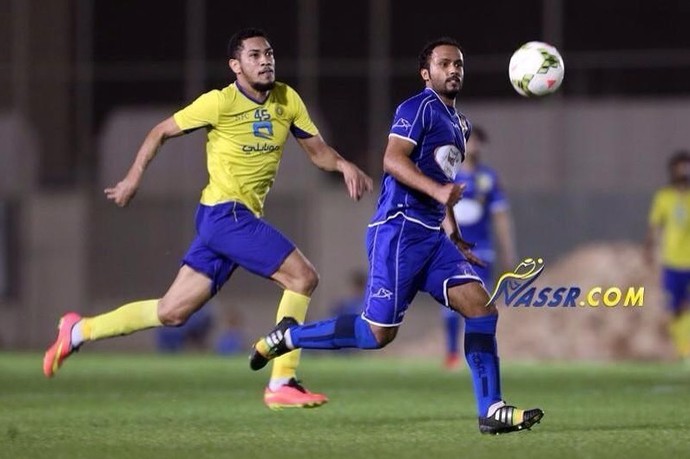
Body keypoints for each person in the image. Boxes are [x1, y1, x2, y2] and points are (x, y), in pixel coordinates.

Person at [43, 28, 373, 410]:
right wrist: (133, 178)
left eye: (269, 53)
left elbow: (317, 152)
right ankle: (282, 381)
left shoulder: (287, 98)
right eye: (254, 55)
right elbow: (160, 131)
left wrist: (344, 164)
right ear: (235, 66)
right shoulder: (219, 103)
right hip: (225, 214)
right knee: (303, 277)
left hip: (230, 221)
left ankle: (79, 330)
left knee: (172, 311)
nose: (265, 60)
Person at [249, 37, 543, 434]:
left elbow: (444, 181)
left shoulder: (460, 124)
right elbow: (392, 159)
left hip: (434, 239)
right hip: (399, 230)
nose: (453, 69)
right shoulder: (417, 107)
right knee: (376, 335)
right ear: (427, 73)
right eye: (444, 64)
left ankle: (491, 411)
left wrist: (452, 231)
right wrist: (439, 194)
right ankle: (289, 336)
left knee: (482, 309)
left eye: (458, 64)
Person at [441, 126, 517, 370]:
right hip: (451, 248)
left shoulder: (489, 178)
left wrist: (508, 252)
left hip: (481, 248)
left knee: (481, 303)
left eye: (478, 141)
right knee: (452, 302)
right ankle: (452, 354)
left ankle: (479, 354)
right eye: (469, 140)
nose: (474, 145)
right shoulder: (447, 176)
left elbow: (501, 217)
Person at [646, 150, 690, 360]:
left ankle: (687, 349)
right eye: (679, 168)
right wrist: (648, 249)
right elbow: (654, 226)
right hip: (671, 262)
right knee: (674, 309)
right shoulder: (664, 197)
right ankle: (683, 349)